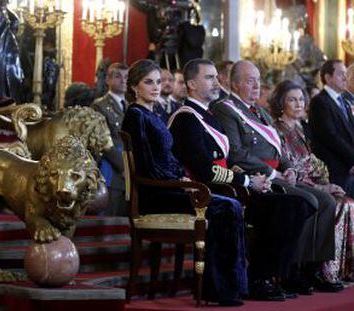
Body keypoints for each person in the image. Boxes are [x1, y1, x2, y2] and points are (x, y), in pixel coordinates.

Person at [169, 59, 314, 300]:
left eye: (216, 77)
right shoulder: (186, 118)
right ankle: (259, 279)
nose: (216, 82)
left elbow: (226, 159)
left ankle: (264, 275)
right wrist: (247, 182)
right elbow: (205, 170)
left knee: (298, 205)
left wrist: (254, 179)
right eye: (209, 78)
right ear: (192, 84)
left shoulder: (209, 116)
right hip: (207, 192)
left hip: (229, 187)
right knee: (288, 207)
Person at [122, 59, 247, 306]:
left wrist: (183, 178)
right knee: (225, 207)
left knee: (229, 204)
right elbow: (148, 166)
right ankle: (219, 289)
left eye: (158, 82)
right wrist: (179, 181)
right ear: (135, 87)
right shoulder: (135, 116)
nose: (156, 87)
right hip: (156, 195)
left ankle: (230, 286)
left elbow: (168, 158)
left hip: (172, 188)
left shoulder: (153, 113)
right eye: (149, 82)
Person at [212, 60, 341, 293]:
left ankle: (310, 268)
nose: (256, 86)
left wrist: (289, 167)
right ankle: (288, 271)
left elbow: (277, 147)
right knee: (309, 201)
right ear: (235, 83)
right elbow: (237, 152)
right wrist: (274, 172)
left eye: (258, 81)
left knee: (327, 202)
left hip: (278, 174)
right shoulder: (225, 108)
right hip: (255, 178)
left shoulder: (260, 112)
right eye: (250, 81)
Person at [271, 80, 354, 284]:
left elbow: (314, 166)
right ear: (281, 103)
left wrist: (326, 183)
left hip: (311, 183)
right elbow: (292, 169)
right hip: (290, 184)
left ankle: (329, 269)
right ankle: (309, 268)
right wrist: (323, 186)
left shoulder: (301, 130)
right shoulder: (277, 130)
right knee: (331, 201)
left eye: (301, 99)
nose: (299, 104)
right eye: (292, 99)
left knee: (347, 202)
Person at [310, 60, 354, 198]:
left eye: (346, 74)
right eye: (341, 74)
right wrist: (352, 160)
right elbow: (331, 136)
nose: (345, 78)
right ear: (328, 77)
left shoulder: (344, 101)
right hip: (335, 168)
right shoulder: (320, 101)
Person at [91, 63, 128, 216]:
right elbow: (102, 141)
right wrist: (124, 165)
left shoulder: (130, 105)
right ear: (107, 79)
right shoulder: (99, 105)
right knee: (111, 213)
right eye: (118, 76)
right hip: (113, 167)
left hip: (130, 163)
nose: (123, 80)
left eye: (126, 77)